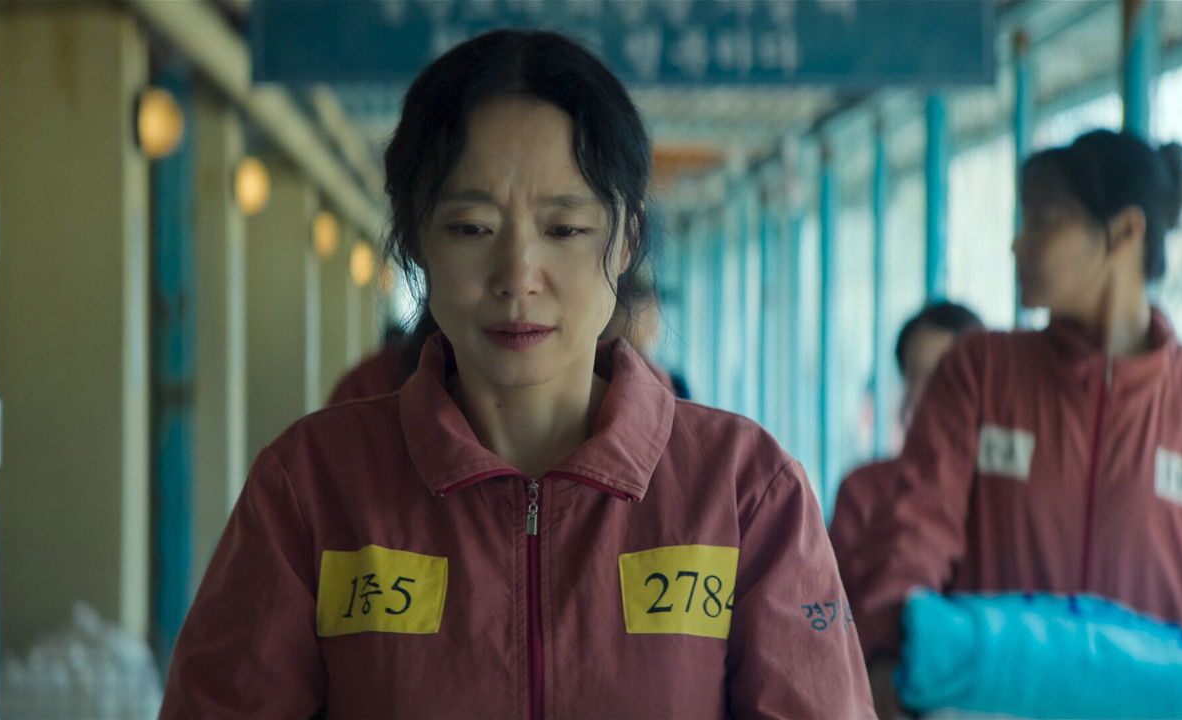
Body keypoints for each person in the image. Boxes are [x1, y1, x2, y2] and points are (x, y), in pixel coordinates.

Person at [160, 30, 873, 718]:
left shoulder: (745, 492)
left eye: (564, 230)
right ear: (416, 238)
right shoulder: (312, 489)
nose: (517, 276)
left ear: (626, 239)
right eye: (472, 228)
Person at [847, 130, 1182, 715]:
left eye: (1042, 221)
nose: (1018, 243)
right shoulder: (983, 370)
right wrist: (885, 661)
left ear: (1125, 232)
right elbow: (915, 528)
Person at [828, 301, 983, 600]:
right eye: (915, 375)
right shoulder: (862, 490)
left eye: (948, 377)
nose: (928, 392)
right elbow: (835, 606)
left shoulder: (1002, 492)